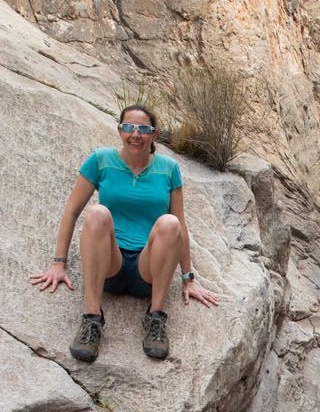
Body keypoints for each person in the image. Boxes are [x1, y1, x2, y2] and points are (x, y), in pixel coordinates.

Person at [31, 104, 220, 362]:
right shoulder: (101, 160)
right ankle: (92, 319)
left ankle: (155, 318)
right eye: (129, 127)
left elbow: (181, 226)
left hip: (148, 269)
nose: (135, 134)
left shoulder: (169, 169)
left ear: (154, 134)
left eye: (143, 129)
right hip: (110, 265)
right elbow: (72, 211)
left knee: (169, 223)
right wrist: (58, 263)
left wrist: (189, 278)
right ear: (120, 130)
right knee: (98, 214)